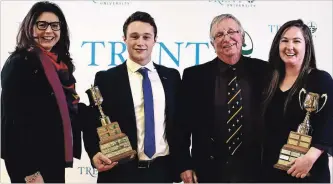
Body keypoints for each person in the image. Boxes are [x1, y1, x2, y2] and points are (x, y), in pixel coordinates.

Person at [82, 11, 181, 183]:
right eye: (134, 36)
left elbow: (180, 124)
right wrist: (93, 154)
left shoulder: (171, 77)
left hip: (162, 172)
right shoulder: (106, 79)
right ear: (125, 39)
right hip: (119, 172)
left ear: (155, 40)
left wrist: (184, 164)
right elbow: (92, 122)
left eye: (146, 37)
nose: (140, 42)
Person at [173, 13, 270, 183]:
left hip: (256, 170)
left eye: (232, 31)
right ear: (212, 44)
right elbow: (180, 126)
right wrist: (184, 164)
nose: (227, 38)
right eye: (219, 35)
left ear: (242, 37)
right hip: (208, 170)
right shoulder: (193, 76)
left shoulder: (264, 71)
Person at [1, 1, 82, 183]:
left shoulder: (61, 66)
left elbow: (66, 110)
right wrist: (29, 171)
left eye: (55, 26)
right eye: (42, 25)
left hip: (53, 158)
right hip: (31, 167)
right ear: (30, 28)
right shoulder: (20, 63)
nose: (48, 31)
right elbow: (12, 123)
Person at [261, 19, 333, 183]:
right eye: (284, 40)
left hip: (306, 172)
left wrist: (309, 158)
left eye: (296, 41)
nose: (289, 46)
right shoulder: (268, 81)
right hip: (269, 173)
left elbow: (330, 122)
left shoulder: (320, 79)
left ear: (307, 46)